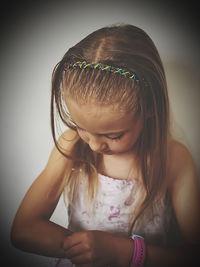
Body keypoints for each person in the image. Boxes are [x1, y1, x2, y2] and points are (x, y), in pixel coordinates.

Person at [11, 24, 200, 267]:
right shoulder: (71, 146)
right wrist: (88, 249)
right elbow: (23, 230)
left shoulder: (173, 159)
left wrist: (124, 252)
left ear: (151, 107)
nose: (93, 145)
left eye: (113, 136)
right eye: (81, 127)